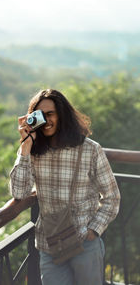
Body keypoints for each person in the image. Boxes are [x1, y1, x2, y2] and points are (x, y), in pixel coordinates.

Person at [9, 89, 120, 285]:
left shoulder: (90, 149)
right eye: (40, 115)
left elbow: (112, 197)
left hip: (85, 243)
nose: (46, 120)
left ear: (63, 115)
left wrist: (93, 231)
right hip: (49, 244)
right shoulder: (34, 151)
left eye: (50, 114)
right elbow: (19, 192)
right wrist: (25, 148)